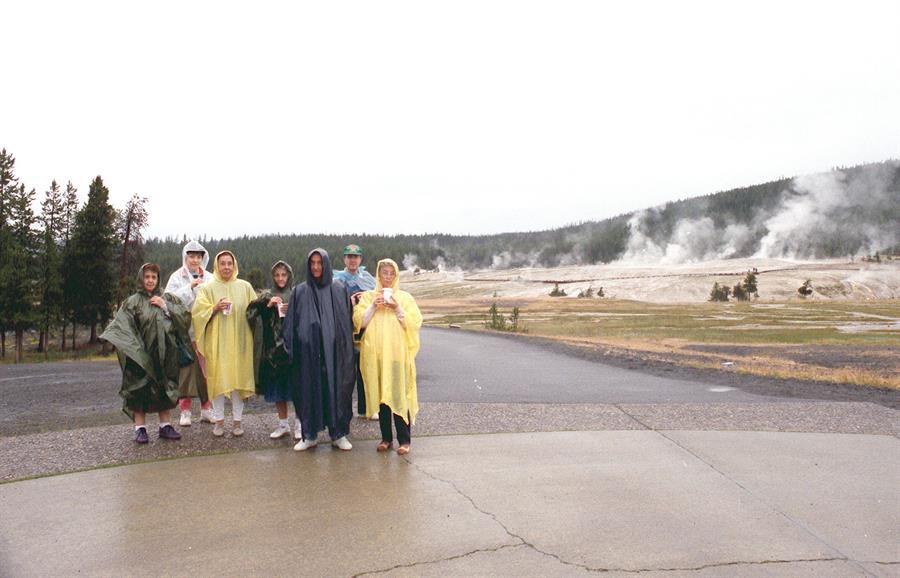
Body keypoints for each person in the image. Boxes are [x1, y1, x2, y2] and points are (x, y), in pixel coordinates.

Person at [101, 263, 188, 443]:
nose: (150, 280)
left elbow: (184, 318)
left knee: (165, 387)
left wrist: (166, 307)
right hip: (140, 356)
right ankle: (140, 429)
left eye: (153, 277)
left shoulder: (168, 298)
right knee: (139, 389)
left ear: (158, 279)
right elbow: (121, 326)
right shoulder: (132, 302)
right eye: (147, 277)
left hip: (165, 354)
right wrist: (135, 351)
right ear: (141, 278)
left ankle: (165, 426)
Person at [283, 249, 356, 451]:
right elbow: (290, 324)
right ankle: (309, 435)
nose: (316, 267)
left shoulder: (339, 289)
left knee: (337, 391)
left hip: (334, 354)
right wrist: (291, 349)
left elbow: (345, 323)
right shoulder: (299, 291)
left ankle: (338, 433)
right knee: (308, 391)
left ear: (326, 264)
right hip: (307, 355)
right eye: (312, 263)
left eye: (319, 263)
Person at [353, 258, 422, 455]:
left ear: (396, 275)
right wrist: (373, 306)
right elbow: (360, 323)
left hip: (397, 356)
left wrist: (396, 307)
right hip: (376, 357)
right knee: (382, 398)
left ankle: (404, 439)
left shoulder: (405, 298)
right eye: (385, 273)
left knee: (399, 394)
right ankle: (385, 438)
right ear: (379, 275)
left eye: (392, 273)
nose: (388, 277)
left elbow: (414, 323)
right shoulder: (368, 297)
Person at [191, 251, 257, 437]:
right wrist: (214, 308)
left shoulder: (245, 287)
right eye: (223, 264)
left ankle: (237, 421)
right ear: (217, 266)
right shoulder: (207, 288)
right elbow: (197, 314)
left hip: (240, 342)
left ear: (234, 265)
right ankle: (219, 421)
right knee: (218, 382)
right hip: (217, 343)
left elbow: (255, 311)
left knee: (238, 382)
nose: (226, 267)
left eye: (229, 263)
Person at [247, 261, 299, 439]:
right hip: (273, 351)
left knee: (296, 387)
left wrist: (292, 310)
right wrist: (266, 306)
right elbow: (250, 315)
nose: (280, 278)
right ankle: (283, 424)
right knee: (279, 390)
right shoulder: (267, 295)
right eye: (277, 275)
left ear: (289, 275)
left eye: (283, 275)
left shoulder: (296, 294)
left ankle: (299, 424)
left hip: (293, 347)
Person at [164, 240, 214, 426]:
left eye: (198, 257)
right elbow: (169, 300)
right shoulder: (177, 277)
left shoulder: (209, 277)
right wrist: (189, 288)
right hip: (183, 332)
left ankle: (206, 408)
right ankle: (185, 411)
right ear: (186, 257)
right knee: (185, 372)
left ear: (203, 258)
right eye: (191, 256)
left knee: (205, 372)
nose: (195, 260)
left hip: (204, 332)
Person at [333, 243, 376, 418]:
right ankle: (344, 411)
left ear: (360, 259)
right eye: (349, 257)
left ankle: (366, 409)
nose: (352, 260)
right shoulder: (337, 279)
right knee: (346, 372)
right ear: (344, 259)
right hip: (345, 330)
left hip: (366, 330)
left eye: (355, 257)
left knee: (366, 368)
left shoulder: (368, 279)